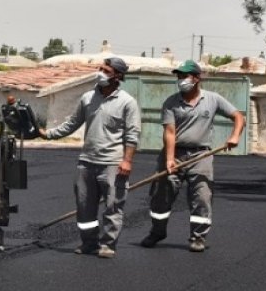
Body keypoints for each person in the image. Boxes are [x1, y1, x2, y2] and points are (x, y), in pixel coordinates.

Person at [39, 57, 141, 259]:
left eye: (106, 70)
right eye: (100, 68)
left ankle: (107, 244)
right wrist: (47, 134)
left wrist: (127, 161)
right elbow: (72, 124)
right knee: (85, 206)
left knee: (113, 206)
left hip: (112, 163)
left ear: (118, 76)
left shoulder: (127, 102)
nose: (100, 73)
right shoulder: (87, 98)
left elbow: (132, 134)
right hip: (86, 162)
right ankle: (89, 242)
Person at [140, 59, 246, 253]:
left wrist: (234, 136)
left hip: (201, 155)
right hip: (175, 153)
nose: (181, 80)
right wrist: (170, 159)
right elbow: (170, 133)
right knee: (161, 196)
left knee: (202, 196)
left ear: (197, 78)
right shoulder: (171, 102)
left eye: (184, 76)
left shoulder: (213, 99)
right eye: (179, 76)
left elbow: (238, 116)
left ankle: (198, 237)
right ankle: (157, 232)